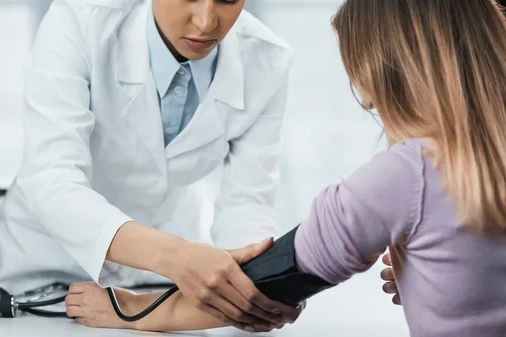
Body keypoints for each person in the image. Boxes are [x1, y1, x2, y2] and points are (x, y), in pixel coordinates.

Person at [63, 0, 506, 335]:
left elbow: (271, 281)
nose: (367, 100)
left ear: (386, 72)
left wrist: (128, 310)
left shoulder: (405, 176)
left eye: (358, 74)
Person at [0, 0, 304, 331]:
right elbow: (52, 176)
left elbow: (247, 203)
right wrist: (176, 257)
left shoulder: (267, 60)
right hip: (45, 269)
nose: (207, 22)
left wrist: (257, 283)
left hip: (160, 285)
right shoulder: (79, 20)